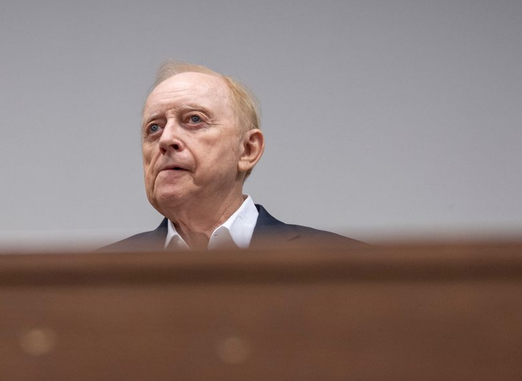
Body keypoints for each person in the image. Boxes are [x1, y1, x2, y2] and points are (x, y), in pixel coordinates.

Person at [103, 62, 358, 251]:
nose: (166, 139)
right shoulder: (103, 275)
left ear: (247, 150)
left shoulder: (340, 261)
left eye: (194, 119)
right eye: (154, 128)